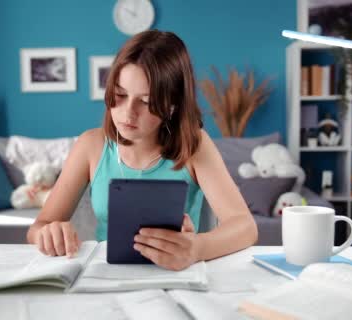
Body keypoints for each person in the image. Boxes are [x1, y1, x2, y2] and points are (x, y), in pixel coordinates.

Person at [27, 30, 258, 271]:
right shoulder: (90, 145)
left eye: (146, 102)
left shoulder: (195, 144)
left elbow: (245, 226)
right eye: (120, 95)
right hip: (107, 275)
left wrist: (198, 248)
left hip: (175, 275)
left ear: (172, 106)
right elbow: (38, 227)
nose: (128, 113)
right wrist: (47, 233)